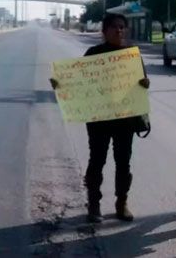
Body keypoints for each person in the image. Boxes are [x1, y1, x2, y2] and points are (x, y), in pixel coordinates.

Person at [50, 13, 150, 223]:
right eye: (114, 27)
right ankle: (93, 203)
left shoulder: (131, 56)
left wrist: (144, 84)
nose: (119, 31)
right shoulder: (93, 53)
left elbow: (141, 83)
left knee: (124, 163)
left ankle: (121, 202)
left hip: (125, 118)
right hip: (99, 119)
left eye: (122, 27)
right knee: (97, 160)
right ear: (104, 31)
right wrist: (60, 84)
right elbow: (78, 83)